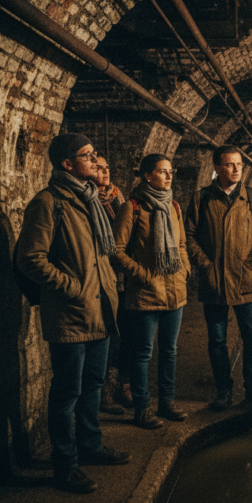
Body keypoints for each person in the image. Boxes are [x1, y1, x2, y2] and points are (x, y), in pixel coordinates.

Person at [15, 133, 131, 494]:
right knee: (67, 392)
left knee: (93, 385)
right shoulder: (49, 203)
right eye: (88, 156)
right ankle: (65, 466)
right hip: (71, 314)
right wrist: (72, 287)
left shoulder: (92, 200)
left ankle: (91, 446)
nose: (96, 161)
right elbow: (30, 258)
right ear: (67, 164)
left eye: (96, 153)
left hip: (100, 311)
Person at [185, 145, 252, 412]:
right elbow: (188, 236)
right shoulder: (201, 198)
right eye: (230, 165)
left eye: (239, 165)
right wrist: (206, 265)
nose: (236, 169)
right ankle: (223, 390)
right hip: (214, 282)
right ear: (217, 167)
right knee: (217, 340)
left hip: (246, 281)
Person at [112, 154, 191, 429]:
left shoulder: (174, 207)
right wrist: (144, 275)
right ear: (147, 176)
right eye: (162, 171)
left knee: (169, 351)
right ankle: (143, 408)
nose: (169, 176)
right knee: (143, 354)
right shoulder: (132, 207)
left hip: (175, 293)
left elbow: (181, 244)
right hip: (146, 294)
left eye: (171, 171)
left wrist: (184, 270)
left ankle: (167, 402)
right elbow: (116, 251)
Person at [94, 155, 133, 415]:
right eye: (98, 166)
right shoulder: (89, 202)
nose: (105, 171)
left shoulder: (119, 199)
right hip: (101, 277)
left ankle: (121, 383)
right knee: (108, 334)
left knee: (125, 334)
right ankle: (104, 391)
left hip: (122, 278)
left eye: (107, 166)